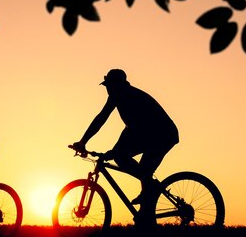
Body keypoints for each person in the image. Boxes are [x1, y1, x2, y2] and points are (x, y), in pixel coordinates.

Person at [71, 69, 179, 226]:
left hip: (162, 134)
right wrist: (83, 141)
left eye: (110, 85)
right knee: (133, 166)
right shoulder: (117, 97)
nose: (108, 89)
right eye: (106, 86)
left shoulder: (131, 97)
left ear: (119, 85)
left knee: (139, 168)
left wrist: (114, 152)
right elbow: (101, 118)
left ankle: (149, 201)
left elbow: (138, 129)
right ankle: (147, 217)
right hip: (148, 132)